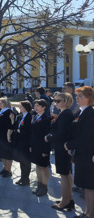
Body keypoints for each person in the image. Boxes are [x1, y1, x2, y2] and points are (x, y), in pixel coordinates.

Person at [65, 86, 94, 218]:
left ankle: (91, 214)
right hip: (81, 153)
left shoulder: (90, 114)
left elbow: (86, 136)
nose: (77, 98)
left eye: (80, 96)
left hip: (88, 154)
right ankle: (87, 212)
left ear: (89, 98)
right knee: (87, 186)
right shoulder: (81, 112)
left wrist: (70, 145)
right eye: (77, 96)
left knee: (90, 186)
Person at [44, 92, 74, 211]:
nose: (56, 102)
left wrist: (49, 137)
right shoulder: (64, 113)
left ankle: (65, 202)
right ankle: (68, 199)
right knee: (67, 174)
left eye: (58, 101)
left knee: (64, 175)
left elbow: (61, 133)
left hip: (62, 148)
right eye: (55, 100)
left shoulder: (66, 114)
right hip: (62, 147)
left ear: (66, 102)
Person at [30, 99, 51, 197]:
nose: (36, 107)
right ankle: (39, 185)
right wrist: (31, 145)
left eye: (38, 105)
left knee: (44, 167)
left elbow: (47, 135)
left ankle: (44, 187)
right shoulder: (36, 116)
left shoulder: (46, 118)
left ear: (44, 107)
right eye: (35, 105)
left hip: (43, 146)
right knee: (37, 166)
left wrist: (46, 150)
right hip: (35, 145)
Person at [11, 100, 32, 186]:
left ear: (26, 107)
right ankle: (22, 177)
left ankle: (26, 178)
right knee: (21, 160)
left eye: (21, 106)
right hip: (19, 140)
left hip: (25, 141)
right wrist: (12, 119)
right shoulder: (20, 116)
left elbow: (29, 130)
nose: (19, 108)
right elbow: (15, 126)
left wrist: (20, 130)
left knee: (25, 161)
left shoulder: (30, 117)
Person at [0, 96, 14, 178]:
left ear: (5, 103)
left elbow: (11, 125)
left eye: (1, 103)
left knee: (7, 154)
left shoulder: (9, 112)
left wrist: (8, 135)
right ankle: (5, 169)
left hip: (5, 136)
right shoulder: (1, 111)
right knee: (2, 154)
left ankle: (9, 170)